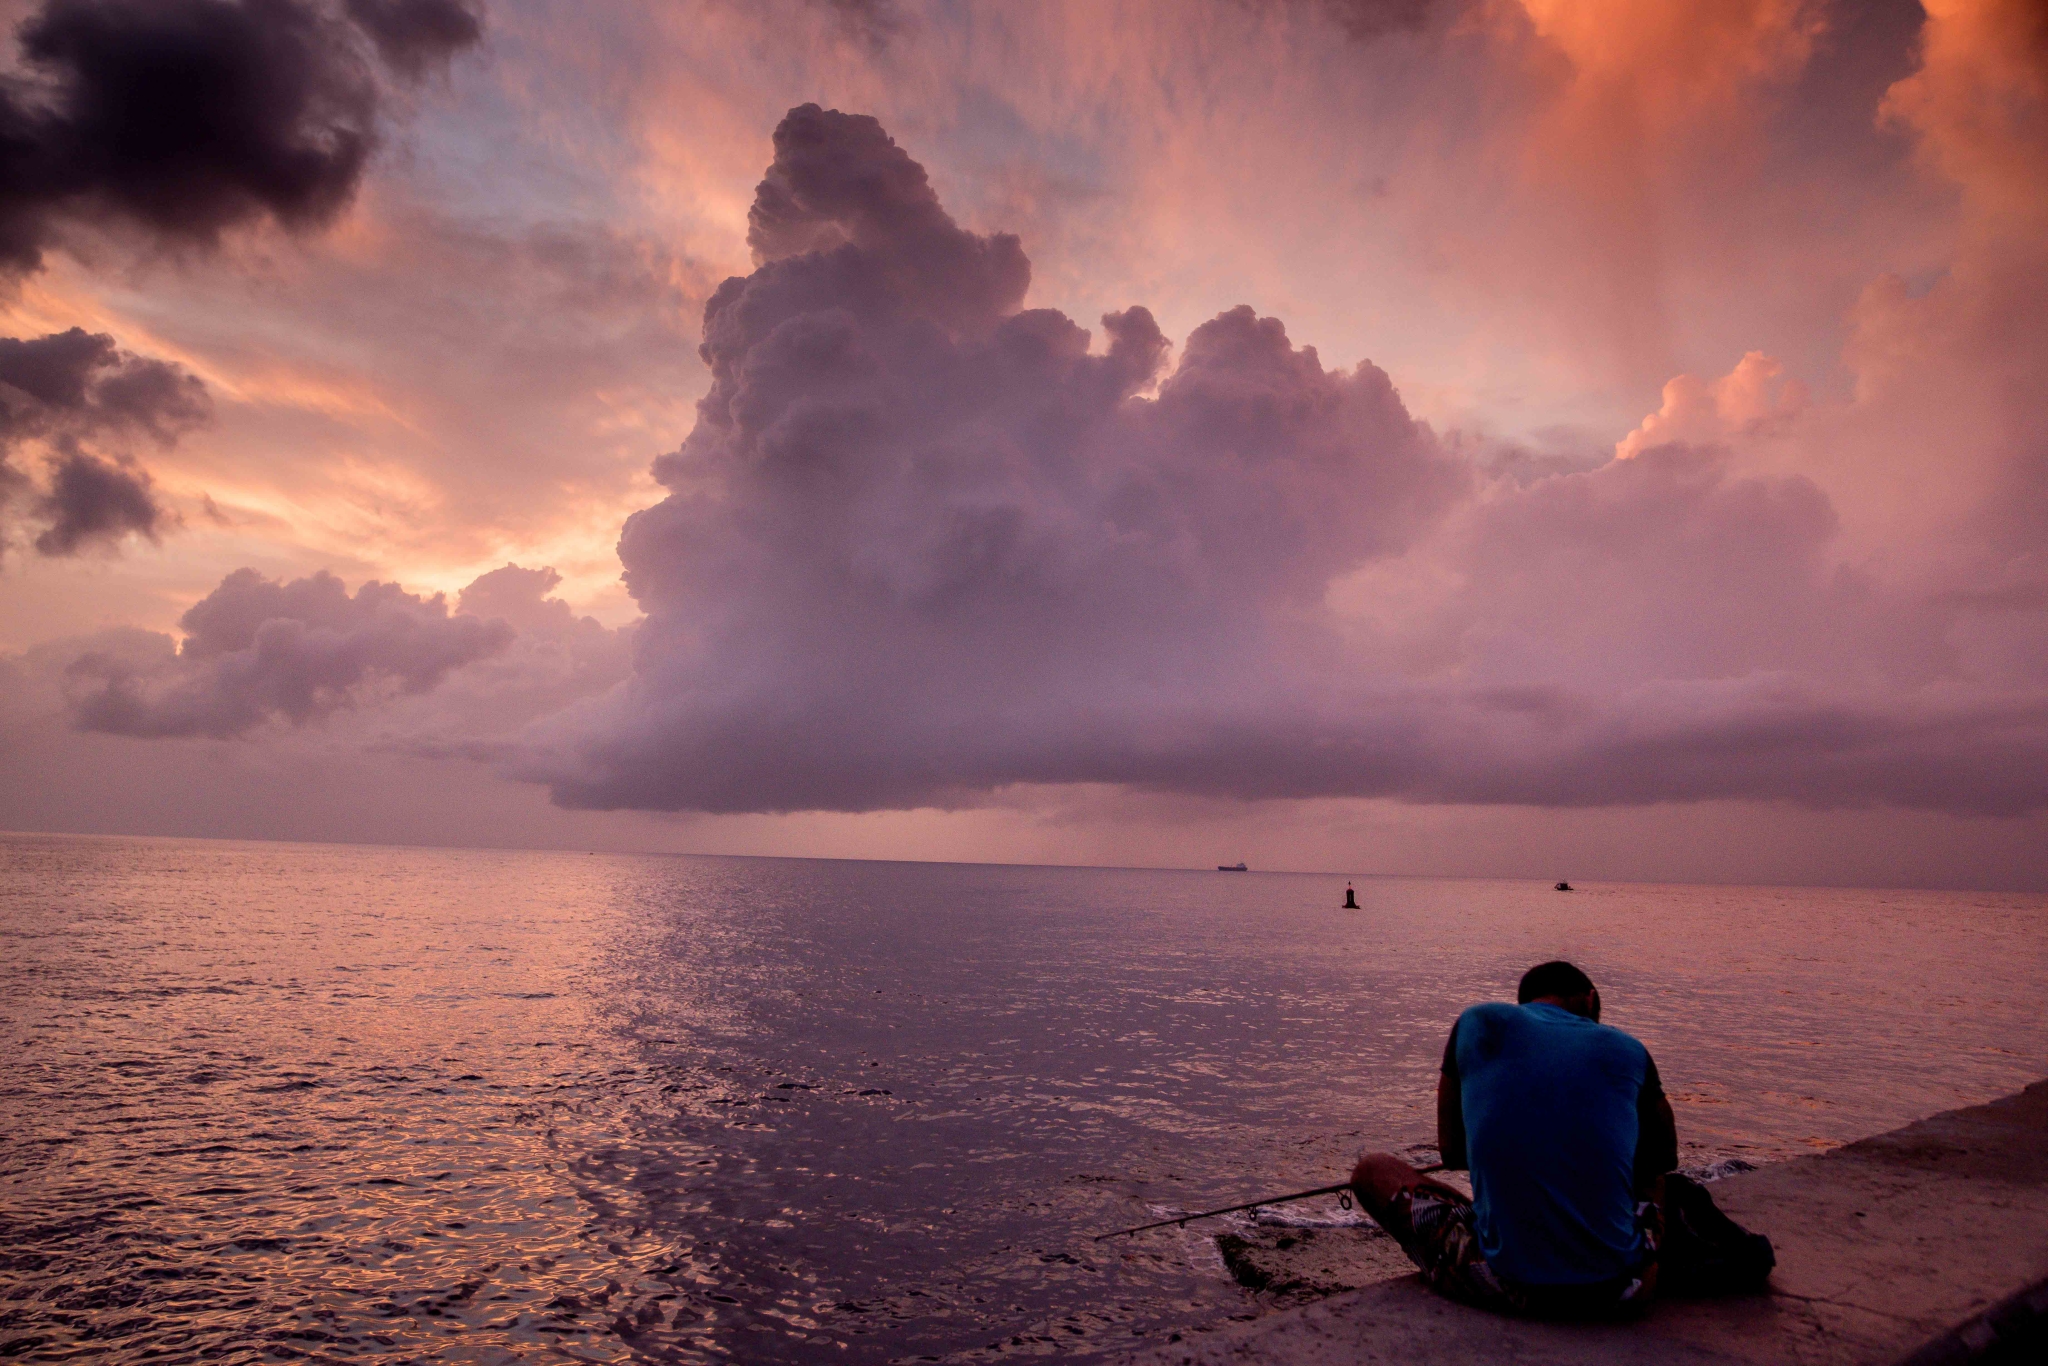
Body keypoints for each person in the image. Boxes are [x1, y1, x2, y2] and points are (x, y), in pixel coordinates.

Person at [1348, 960, 1678, 1318]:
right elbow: (1663, 1158)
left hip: (1505, 1284)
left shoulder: (1476, 1023)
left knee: (1372, 1171)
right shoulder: (1630, 1048)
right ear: (1590, 999)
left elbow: (1454, 1153)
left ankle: (1495, 1235)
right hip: (1623, 1288)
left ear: (1526, 1004)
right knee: (1654, 1181)